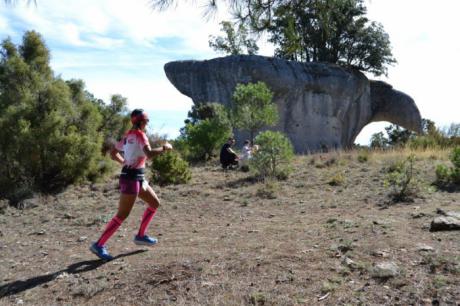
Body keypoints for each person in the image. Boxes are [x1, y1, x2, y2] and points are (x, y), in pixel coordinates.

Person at [90, 109, 173, 261]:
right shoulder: (140, 135)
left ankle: (141, 236)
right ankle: (98, 244)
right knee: (122, 215)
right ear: (141, 121)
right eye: (146, 120)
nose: (147, 123)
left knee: (154, 203)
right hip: (131, 179)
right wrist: (164, 148)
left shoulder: (128, 135)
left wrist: (125, 162)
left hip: (137, 178)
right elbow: (149, 154)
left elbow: (113, 152)